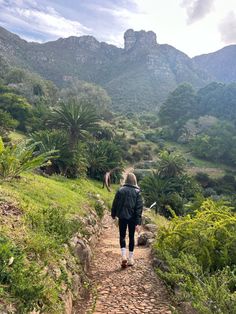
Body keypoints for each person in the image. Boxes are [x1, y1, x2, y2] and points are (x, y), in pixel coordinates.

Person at [111, 173, 143, 267]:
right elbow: (139, 208)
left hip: (122, 217)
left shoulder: (120, 190)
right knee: (131, 237)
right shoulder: (137, 192)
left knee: (122, 236)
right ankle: (130, 258)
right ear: (134, 180)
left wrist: (113, 214)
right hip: (132, 218)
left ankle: (123, 256)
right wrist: (138, 222)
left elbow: (115, 204)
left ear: (126, 180)